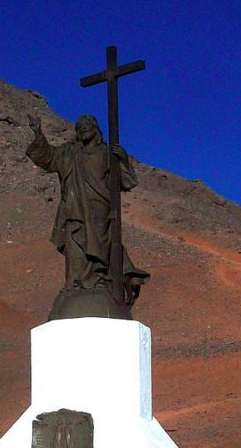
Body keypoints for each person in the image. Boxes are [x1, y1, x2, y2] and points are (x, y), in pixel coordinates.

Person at [26, 113, 149, 308]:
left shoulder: (106, 154)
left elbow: (126, 182)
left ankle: (99, 281)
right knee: (75, 244)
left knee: (99, 246)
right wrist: (38, 133)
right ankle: (75, 283)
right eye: (79, 126)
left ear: (95, 129)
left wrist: (123, 159)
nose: (82, 128)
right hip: (74, 209)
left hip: (99, 209)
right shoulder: (69, 152)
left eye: (86, 125)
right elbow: (47, 157)